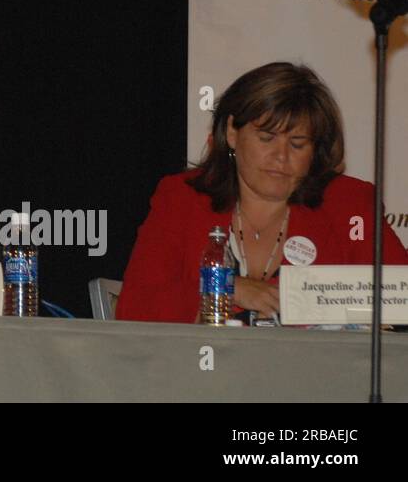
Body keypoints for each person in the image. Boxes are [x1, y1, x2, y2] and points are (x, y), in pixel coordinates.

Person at [117, 62, 408, 323]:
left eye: (297, 144)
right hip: (200, 374)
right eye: (266, 138)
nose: (281, 156)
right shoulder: (181, 198)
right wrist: (225, 290)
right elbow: (134, 310)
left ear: (315, 150)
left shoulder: (351, 204)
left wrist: (330, 301)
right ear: (232, 132)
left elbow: (400, 296)